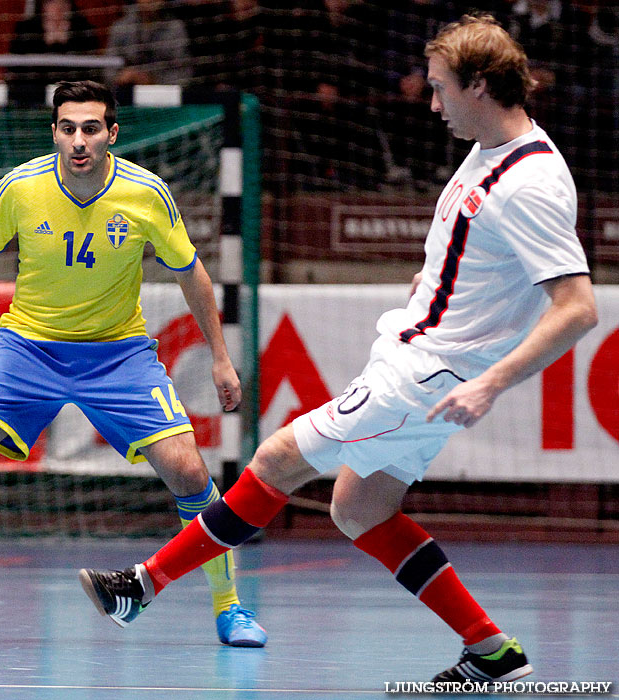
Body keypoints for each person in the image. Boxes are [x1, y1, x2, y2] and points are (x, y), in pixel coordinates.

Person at [79, 15, 599, 681]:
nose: (432, 104)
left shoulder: (530, 182)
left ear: (479, 85)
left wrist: (491, 380)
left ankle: (142, 586)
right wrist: (439, 275)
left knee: (274, 459)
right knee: (357, 508)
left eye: (440, 89)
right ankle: (489, 649)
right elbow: (488, 259)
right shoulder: (490, 151)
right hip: (424, 365)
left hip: (423, 375)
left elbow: (576, 307)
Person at [0, 80, 266, 648]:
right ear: (54, 133)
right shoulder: (20, 187)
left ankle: (230, 609)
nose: (78, 140)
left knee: (191, 472)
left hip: (118, 355)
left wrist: (221, 357)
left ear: (111, 133)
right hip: (27, 348)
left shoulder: (146, 193)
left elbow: (190, 270)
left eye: (90, 128)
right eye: (67, 128)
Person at [8, 0, 101, 104]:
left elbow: (90, 72)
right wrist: (47, 45)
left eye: (63, 3)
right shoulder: (26, 28)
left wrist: (65, 44)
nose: (58, 8)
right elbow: (17, 70)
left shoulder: (84, 29)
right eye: (53, 3)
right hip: (33, 94)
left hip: (73, 93)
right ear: (43, 6)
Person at [103, 0, 191, 88]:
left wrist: (154, 81)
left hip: (163, 95)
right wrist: (120, 77)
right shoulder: (120, 27)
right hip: (125, 93)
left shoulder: (175, 28)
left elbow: (184, 73)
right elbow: (108, 70)